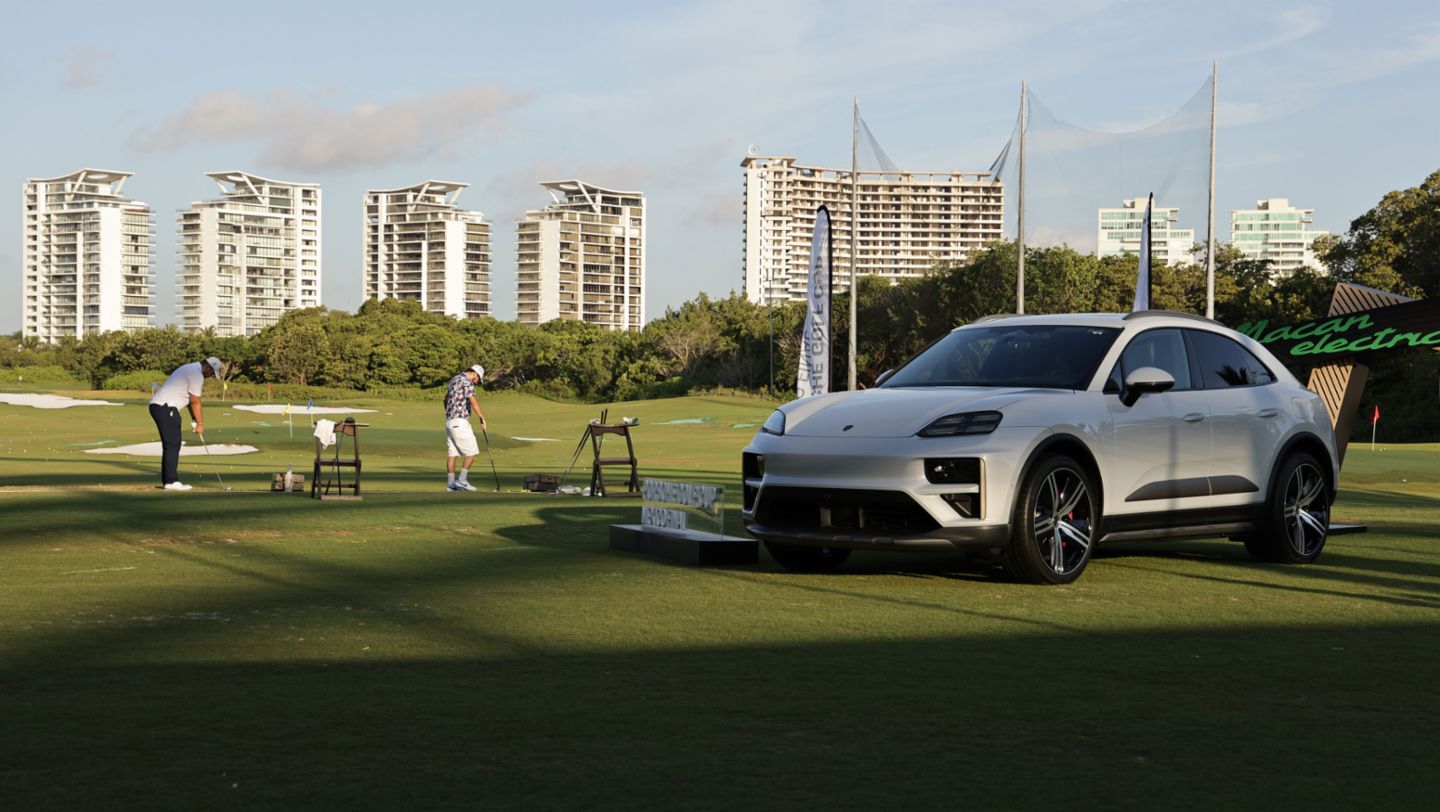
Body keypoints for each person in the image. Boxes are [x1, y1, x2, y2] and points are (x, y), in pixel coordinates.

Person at [149, 356, 222, 491]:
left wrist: (194, 419)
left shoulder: (189, 368)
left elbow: (189, 400)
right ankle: (171, 481)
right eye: (211, 373)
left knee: (172, 444)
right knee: (173, 444)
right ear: (208, 367)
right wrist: (200, 423)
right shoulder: (196, 374)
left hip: (161, 407)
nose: (211, 376)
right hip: (166, 407)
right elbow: (195, 401)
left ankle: (169, 481)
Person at [444, 364, 489, 492]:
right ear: (475, 374)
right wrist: (481, 417)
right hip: (460, 421)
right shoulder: (467, 381)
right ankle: (462, 481)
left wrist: (450, 413)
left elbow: (445, 400)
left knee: (452, 454)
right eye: (478, 379)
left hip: (449, 421)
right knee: (472, 452)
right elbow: (473, 400)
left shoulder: (454, 379)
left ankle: (451, 484)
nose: (477, 382)